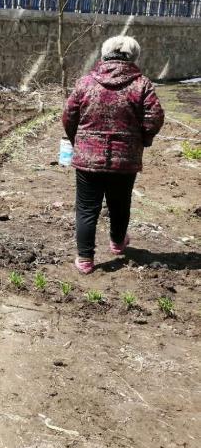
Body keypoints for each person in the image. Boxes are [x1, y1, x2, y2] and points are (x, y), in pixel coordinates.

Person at [62, 35, 164, 274]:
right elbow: (155, 117)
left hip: (88, 158)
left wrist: (79, 141)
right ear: (133, 56)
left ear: (104, 54)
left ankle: (85, 259)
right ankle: (118, 243)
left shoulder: (86, 82)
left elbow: (68, 116)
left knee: (87, 208)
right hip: (125, 158)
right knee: (120, 203)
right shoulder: (142, 85)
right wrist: (143, 139)